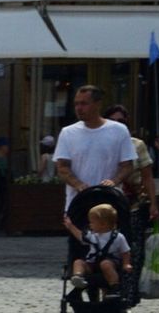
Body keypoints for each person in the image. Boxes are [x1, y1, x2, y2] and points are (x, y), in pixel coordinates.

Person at [53, 85, 135, 270]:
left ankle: (112, 287)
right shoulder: (68, 132)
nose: (79, 108)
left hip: (110, 202)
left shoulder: (118, 130)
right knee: (79, 249)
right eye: (76, 104)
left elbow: (127, 165)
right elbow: (62, 166)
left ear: (97, 104)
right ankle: (79, 280)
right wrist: (79, 184)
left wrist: (114, 181)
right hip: (79, 202)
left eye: (84, 103)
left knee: (112, 249)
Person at [64, 203, 132, 296]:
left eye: (92, 222)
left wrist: (126, 264)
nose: (90, 225)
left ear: (102, 224)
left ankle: (114, 286)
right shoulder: (93, 236)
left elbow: (125, 252)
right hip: (92, 264)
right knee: (78, 262)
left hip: (110, 263)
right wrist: (71, 226)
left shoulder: (118, 237)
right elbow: (80, 236)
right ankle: (78, 277)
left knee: (105, 264)